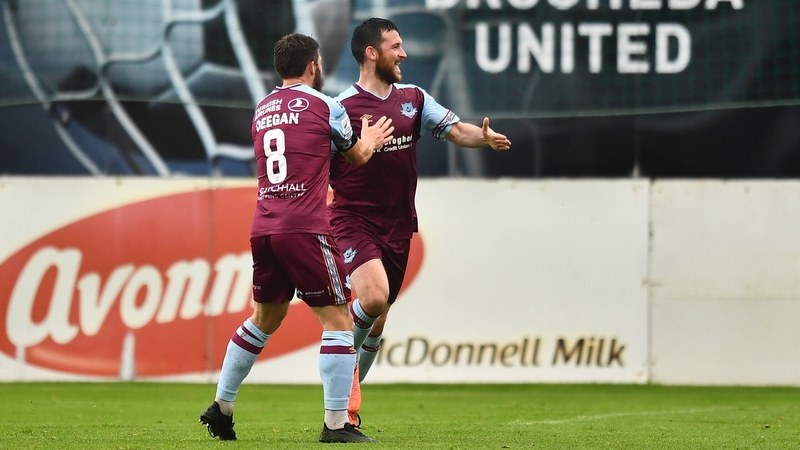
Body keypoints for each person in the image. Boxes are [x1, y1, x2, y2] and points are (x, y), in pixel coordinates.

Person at [199, 33, 393, 444]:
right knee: (339, 321)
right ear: (313, 66)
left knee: (265, 318)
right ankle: (337, 425)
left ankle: (222, 406)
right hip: (304, 226)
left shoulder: (262, 108)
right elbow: (355, 156)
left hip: (264, 226)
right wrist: (371, 140)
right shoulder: (326, 105)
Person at [328, 18, 512, 426]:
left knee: (376, 323)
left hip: (397, 224)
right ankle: (342, 401)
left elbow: (455, 129)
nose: (404, 53)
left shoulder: (413, 97)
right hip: (352, 218)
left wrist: (481, 137)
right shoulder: (340, 107)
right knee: (373, 298)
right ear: (372, 53)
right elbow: (320, 161)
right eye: (395, 45)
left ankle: (345, 405)